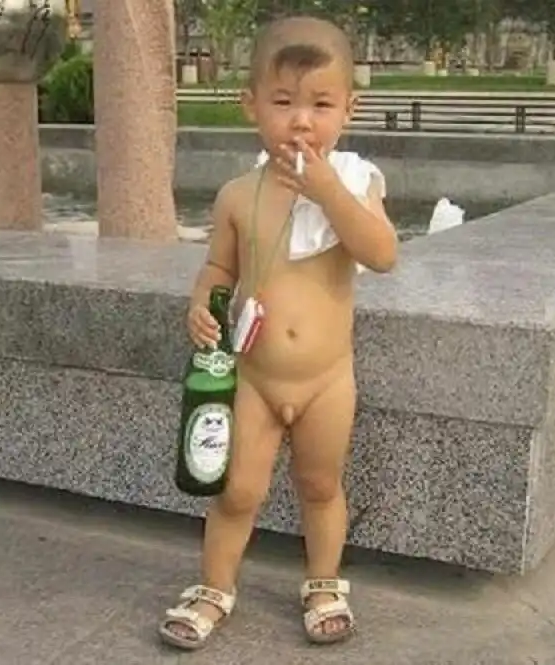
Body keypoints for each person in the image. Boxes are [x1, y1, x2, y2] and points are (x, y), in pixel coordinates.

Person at [159, 15, 398, 650]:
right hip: (255, 376)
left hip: (326, 379)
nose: (301, 121)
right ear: (252, 105)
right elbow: (220, 268)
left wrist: (328, 192)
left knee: (320, 485)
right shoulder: (240, 195)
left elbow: (381, 253)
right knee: (238, 490)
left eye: (321, 105)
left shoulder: (357, 183)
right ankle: (214, 586)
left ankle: (323, 583)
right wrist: (202, 302)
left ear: (348, 108)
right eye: (284, 102)